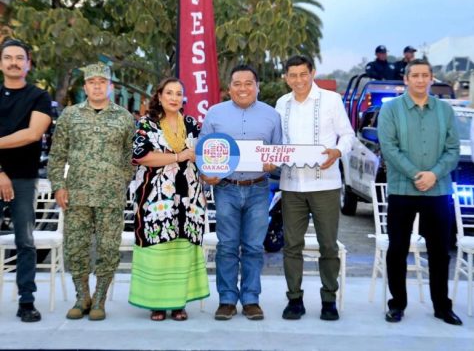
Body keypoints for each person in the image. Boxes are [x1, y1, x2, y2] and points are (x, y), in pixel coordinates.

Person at [378, 59, 462, 326]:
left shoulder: (445, 111)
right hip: (402, 190)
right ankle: (397, 305)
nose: (420, 80)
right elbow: (389, 148)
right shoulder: (391, 110)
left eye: (425, 75)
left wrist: (434, 174)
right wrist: (417, 174)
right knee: (397, 249)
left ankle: (442, 306)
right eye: (415, 75)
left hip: (438, 191)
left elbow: (453, 150)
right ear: (406, 79)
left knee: (440, 252)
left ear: (431, 78)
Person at [48, 63, 135, 321]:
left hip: (110, 196)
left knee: (108, 248)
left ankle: (99, 299)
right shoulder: (70, 116)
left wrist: (121, 181)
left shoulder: (124, 117)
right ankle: (81, 296)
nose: (97, 87)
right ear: (85, 87)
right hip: (77, 194)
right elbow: (57, 154)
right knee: (76, 247)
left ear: (110, 86)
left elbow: (131, 156)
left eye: (102, 82)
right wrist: (58, 186)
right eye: (92, 82)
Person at [275, 55, 355, 321]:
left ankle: (329, 300)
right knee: (291, 245)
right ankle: (294, 300)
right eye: (292, 75)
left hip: (325, 184)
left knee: (328, 245)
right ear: (286, 77)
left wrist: (337, 151)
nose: (298, 80)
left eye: (303, 74)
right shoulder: (281, 103)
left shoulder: (331, 100)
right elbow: (277, 142)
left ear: (312, 73)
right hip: (291, 185)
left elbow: (348, 135)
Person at [200, 64, 282, 321]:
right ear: (229, 88)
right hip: (226, 188)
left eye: (249, 83)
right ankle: (226, 300)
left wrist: (273, 163)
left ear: (257, 86)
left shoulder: (272, 115)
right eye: (237, 83)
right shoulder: (214, 114)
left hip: (259, 188)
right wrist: (206, 174)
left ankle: (250, 300)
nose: (243, 88)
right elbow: (203, 152)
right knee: (226, 246)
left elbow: (278, 151)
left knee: (254, 247)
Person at [128, 77, 209, 321]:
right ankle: (157, 304)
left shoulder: (192, 124)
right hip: (156, 199)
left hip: (189, 198)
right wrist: (178, 156)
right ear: (160, 96)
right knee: (158, 246)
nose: (174, 98)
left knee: (182, 248)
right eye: (169, 93)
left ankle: (178, 303)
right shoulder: (147, 124)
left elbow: (203, 156)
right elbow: (141, 156)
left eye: (178, 93)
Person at [0, 39, 52, 323]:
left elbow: (32, 134)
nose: (14, 62)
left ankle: (26, 302)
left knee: (25, 241)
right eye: (8, 57)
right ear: (1, 63)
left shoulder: (38, 96)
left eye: (19, 58)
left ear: (28, 64)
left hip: (24, 178)